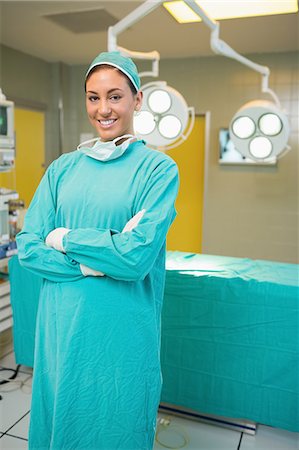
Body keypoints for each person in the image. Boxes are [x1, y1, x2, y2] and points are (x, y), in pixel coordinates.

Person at [16, 51, 179, 450]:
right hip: (62, 328)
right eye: (93, 97)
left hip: (120, 335)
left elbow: (134, 257)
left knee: (114, 424)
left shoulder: (158, 170)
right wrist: (93, 265)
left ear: (137, 99)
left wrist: (65, 237)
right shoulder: (61, 170)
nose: (103, 109)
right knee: (62, 426)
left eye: (115, 96)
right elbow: (28, 248)